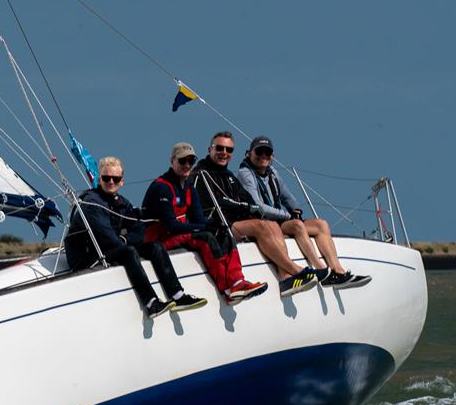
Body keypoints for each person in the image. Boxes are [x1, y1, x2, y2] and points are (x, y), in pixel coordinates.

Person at [65, 156, 207, 319]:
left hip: (110, 248)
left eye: (115, 178)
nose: (111, 181)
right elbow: (109, 239)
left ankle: (178, 295)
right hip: (86, 257)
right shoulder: (92, 204)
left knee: (155, 246)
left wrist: (126, 239)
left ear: (121, 182)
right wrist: (125, 240)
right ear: (99, 179)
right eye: (106, 178)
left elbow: (139, 229)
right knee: (129, 251)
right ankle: (151, 303)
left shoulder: (121, 202)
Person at [189, 132, 317, 297]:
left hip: (233, 223)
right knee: (261, 225)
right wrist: (246, 208)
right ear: (210, 149)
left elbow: (249, 200)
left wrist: (249, 207)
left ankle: (285, 279)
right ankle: (295, 269)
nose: (224, 153)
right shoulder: (200, 173)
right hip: (217, 227)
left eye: (229, 150)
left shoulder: (229, 176)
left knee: (271, 223)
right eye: (219, 148)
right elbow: (214, 203)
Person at [238, 136, 371, 288]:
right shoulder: (245, 173)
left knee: (321, 225)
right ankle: (321, 269)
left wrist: (296, 210)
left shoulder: (273, 172)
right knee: (297, 225)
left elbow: (287, 196)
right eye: (259, 151)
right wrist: (288, 215)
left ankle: (337, 271)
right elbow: (259, 206)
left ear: (272, 156)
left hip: (281, 221)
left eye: (267, 153)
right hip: (265, 223)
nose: (263, 156)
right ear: (249, 154)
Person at [142, 142, 268, 303]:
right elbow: (171, 226)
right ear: (172, 161)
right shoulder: (162, 187)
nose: (187, 165)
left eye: (191, 161)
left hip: (177, 236)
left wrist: (214, 225)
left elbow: (199, 219)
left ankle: (238, 281)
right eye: (182, 161)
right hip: (159, 239)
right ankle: (227, 290)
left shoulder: (188, 187)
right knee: (205, 237)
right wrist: (206, 227)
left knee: (224, 232)